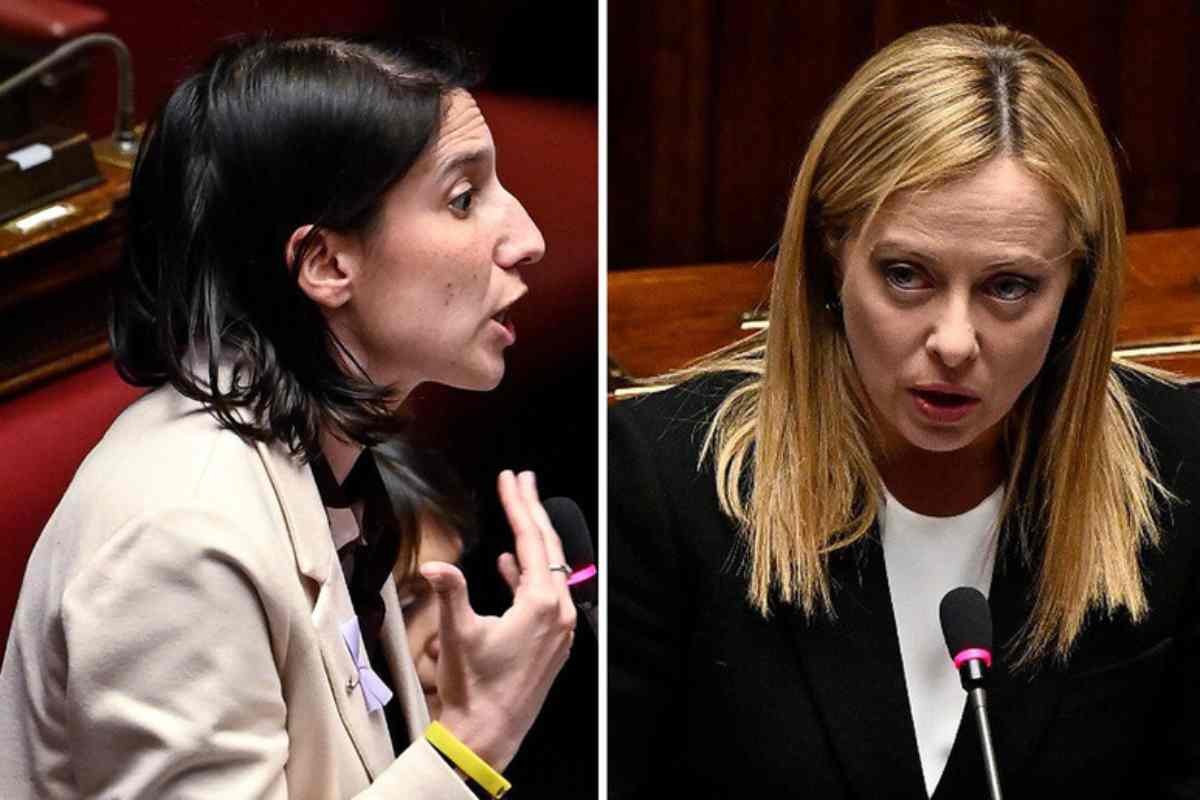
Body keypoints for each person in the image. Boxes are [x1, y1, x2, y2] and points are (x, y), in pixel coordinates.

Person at [609, 23, 1200, 798]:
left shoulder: (1180, 463)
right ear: (832, 255)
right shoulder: (661, 481)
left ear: (1075, 293)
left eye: (1009, 287)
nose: (954, 342)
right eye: (906, 275)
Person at [0, 36, 578, 799]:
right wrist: (477, 738)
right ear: (327, 264)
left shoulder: (324, 452)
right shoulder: (182, 540)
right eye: (463, 199)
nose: (528, 240)